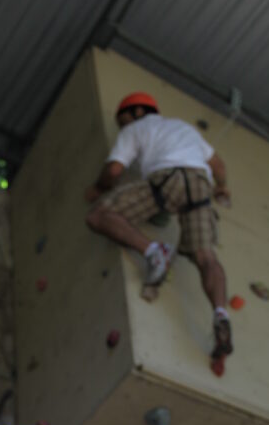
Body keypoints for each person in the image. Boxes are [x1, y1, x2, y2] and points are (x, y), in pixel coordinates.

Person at [85, 92, 233, 363]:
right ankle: (221, 314)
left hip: (168, 180)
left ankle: (154, 252)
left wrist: (98, 187)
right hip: (201, 184)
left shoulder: (137, 129)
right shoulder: (183, 128)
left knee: (97, 216)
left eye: (123, 120)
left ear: (137, 112)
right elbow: (218, 165)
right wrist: (221, 188)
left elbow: (114, 171)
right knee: (206, 257)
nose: (122, 127)